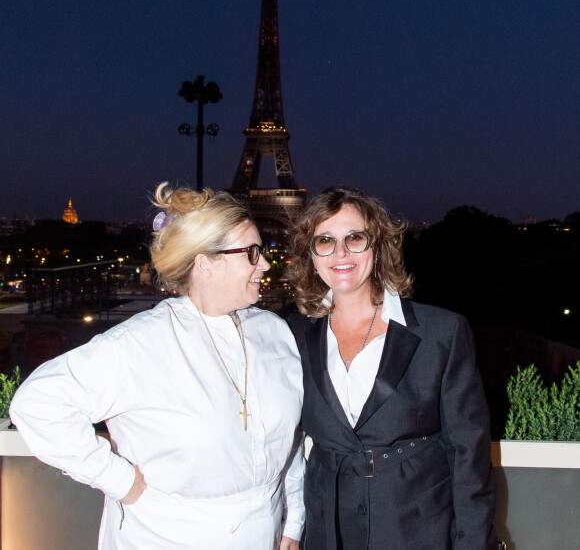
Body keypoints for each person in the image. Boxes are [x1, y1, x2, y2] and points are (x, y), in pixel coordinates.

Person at [10, 183, 304, 550]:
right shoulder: (140, 344)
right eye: (252, 252)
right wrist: (120, 481)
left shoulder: (275, 333)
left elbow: (288, 445)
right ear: (205, 263)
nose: (265, 263)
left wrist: (293, 521)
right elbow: (37, 404)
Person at [286, 187, 498, 550]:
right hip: (327, 530)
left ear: (379, 246)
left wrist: (473, 543)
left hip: (417, 528)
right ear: (311, 255)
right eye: (325, 241)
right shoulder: (290, 334)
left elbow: (468, 454)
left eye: (355, 238)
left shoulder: (442, 332)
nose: (340, 253)